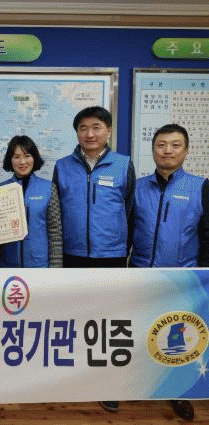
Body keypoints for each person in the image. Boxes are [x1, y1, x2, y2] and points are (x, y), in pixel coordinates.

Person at [128, 123, 208, 421]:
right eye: (161, 145)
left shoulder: (200, 187)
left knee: (176, 338)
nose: (167, 151)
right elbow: (128, 230)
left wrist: (202, 275)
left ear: (186, 151)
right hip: (141, 275)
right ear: (153, 150)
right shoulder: (138, 187)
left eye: (175, 145)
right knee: (138, 332)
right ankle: (131, 384)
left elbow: (206, 235)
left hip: (182, 279)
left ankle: (176, 391)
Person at [53, 106, 135, 268]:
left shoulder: (123, 165)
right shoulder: (62, 166)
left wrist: (123, 248)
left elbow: (130, 210)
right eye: (83, 128)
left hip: (112, 254)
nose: (90, 134)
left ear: (109, 130)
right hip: (72, 253)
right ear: (77, 133)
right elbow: (56, 212)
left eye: (96, 128)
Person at [0, 135, 62, 267]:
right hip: (7, 268)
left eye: (27, 156)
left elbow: (55, 233)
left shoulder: (48, 188)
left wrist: (55, 268)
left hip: (39, 266)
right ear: (10, 160)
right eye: (16, 157)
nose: (22, 162)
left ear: (34, 158)